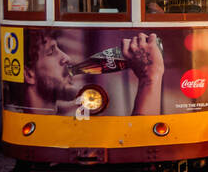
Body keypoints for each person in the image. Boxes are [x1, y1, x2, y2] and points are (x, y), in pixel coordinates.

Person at [16, 29, 163, 115]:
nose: (66, 58)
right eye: (51, 52)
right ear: (28, 74)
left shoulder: (72, 119)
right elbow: (137, 147)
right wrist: (150, 78)